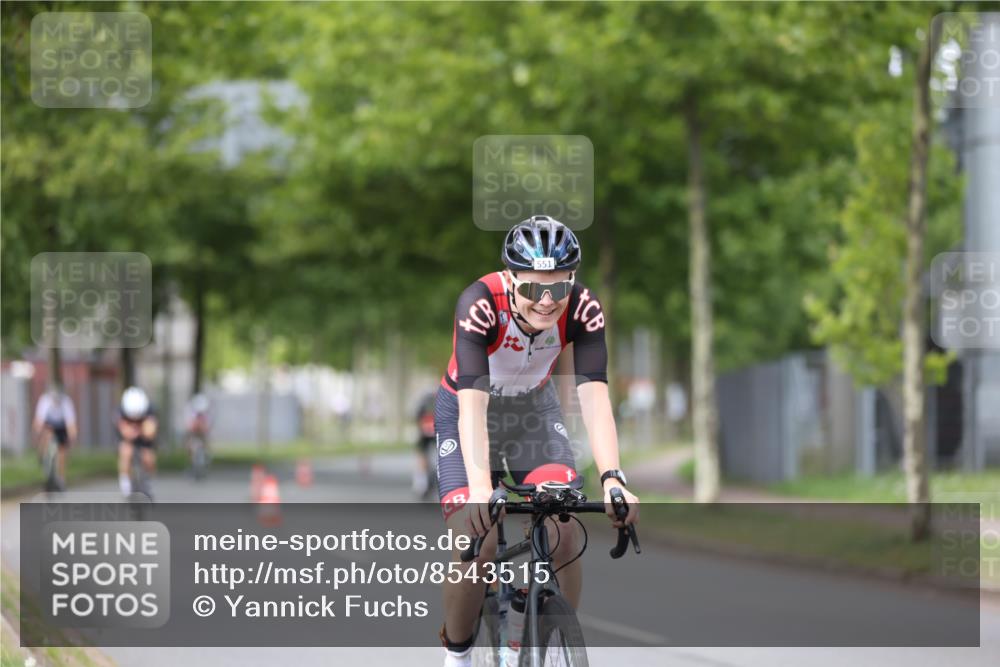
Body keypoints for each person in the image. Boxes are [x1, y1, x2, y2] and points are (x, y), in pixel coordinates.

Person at [435, 215, 639, 667]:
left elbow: (595, 397)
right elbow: (472, 406)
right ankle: (458, 655)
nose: (546, 302)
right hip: (469, 413)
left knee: (564, 529)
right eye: (532, 289)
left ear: (572, 280)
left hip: (532, 414)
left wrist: (612, 478)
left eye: (558, 288)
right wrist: (481, 491)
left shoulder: (584, 308)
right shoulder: (479, 303)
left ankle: (548, 639)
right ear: (510, 279)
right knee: (479, 543)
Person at [32, 385, 78, 489]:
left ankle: (61, 478)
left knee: (62, 451)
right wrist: (37, 434)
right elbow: (38, 421)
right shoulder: (44, 401)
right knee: (45, 438)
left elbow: (71, 424)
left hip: (61, 426)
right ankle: (43, 459)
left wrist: (72, 437)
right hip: (48, 425)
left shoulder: (66, 402)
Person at [117, 386, 158, 497]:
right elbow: (123, 430)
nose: (135, 419)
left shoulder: (149, 409)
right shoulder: (121, 410)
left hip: (144, 437)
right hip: (128, 438)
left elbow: (151, 431)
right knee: (126, 452)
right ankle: (125, 483)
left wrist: (143, 431)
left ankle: (148, 481)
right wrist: (131, 432)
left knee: (149, 458)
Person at [413, 391, 438, 497]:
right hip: (436, 432)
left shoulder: (424, 402)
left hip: (427, 432)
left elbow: (417, 419)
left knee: (422, 454)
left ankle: (421, 482)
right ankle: (422, 481)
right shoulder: (444, 400)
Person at [183, 392, 213, 468]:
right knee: (190, 444)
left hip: (202, 432)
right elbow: (189, 425)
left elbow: (208, 427)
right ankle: (191, 460)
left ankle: (206, 455)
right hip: (193, 431)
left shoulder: (207, 413)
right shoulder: (190, 411)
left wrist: (203, 427)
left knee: (205, 442)